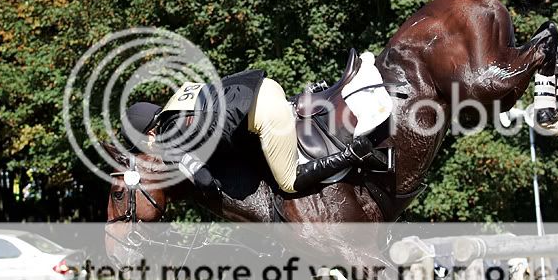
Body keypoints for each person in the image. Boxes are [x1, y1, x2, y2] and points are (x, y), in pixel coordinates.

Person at [121, 70, 381, 198]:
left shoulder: (167, 139)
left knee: (288, 182)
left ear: (149, 133)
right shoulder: (181, 99)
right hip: (266, 87)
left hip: (264, 115)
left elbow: (206, 183)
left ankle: (353, 153)